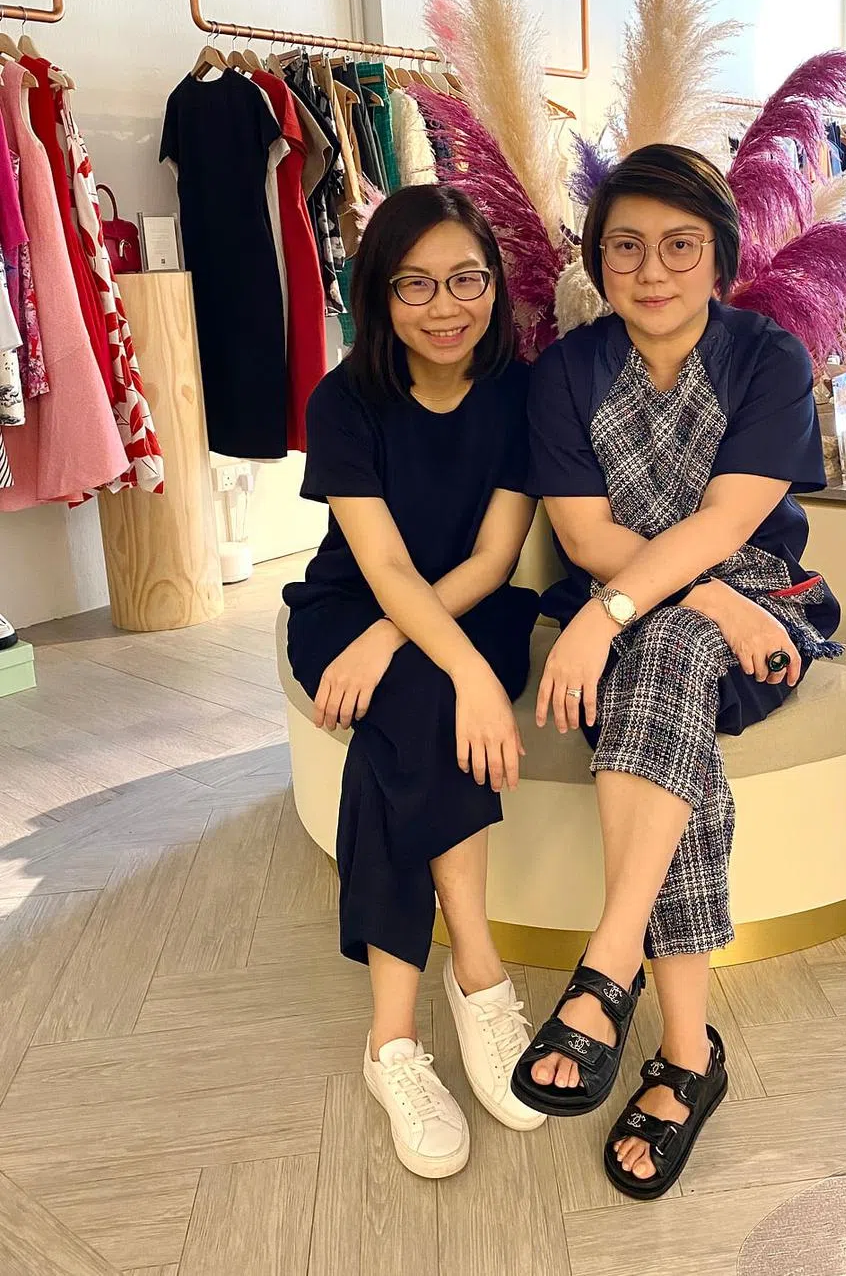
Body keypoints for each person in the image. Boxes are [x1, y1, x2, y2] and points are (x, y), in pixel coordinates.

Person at [514, 144, 841, 1198]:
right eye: (626, 248)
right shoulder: (566, 372)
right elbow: (584, 534)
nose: (651, 270)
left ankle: (608, 973)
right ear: (598, 261)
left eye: (679, 246)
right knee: (670, 659)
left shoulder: (767, 358)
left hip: (762, 615)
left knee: (666, 650)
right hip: (678, 614)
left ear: (721, 257)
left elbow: (727, 524)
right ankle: (685, 1054)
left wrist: (616, 612)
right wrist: (690, 602)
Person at [283, 184, 545, 1181]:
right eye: (416, 284)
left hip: (467, 609)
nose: (446, 306)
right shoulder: (344, 400)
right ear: (381, 295)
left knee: (405, 731)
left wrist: (440, 656)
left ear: (495, 284)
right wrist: (422, 652)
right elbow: (385, 566)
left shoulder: (521, 391)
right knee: (428, 705)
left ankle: (391, 1039)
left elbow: (493, 555)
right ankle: (476, 977)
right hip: (351, 609)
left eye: (467, 279)